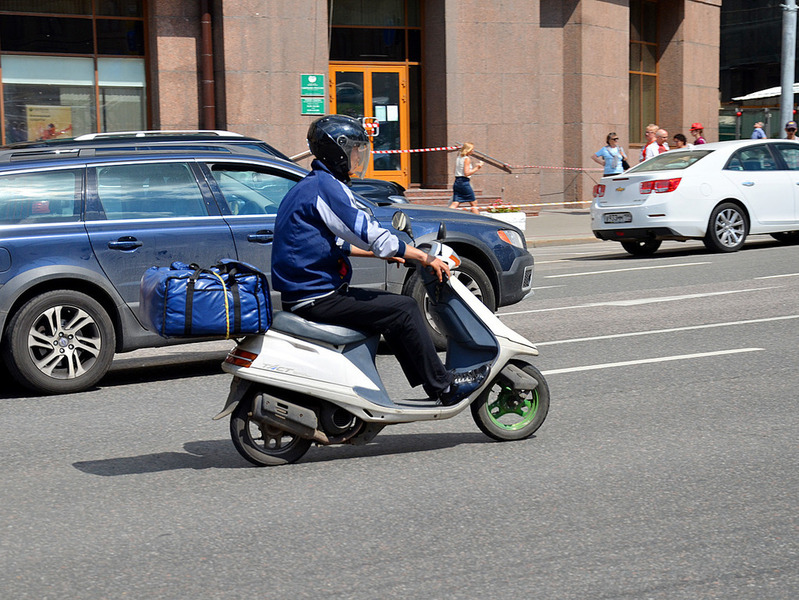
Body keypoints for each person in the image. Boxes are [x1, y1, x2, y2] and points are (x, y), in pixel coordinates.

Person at [271, 114, 487, 406]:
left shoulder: (309, 186)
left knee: (389, 309)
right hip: (317, 297)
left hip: (306, 294)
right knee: (405, 308)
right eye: (355, 151)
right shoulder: (326, 188)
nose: (358, 157)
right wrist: (422, 256)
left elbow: (334, 243)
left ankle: (389, 389)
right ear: (338, 151)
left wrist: (385, 254)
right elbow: (369, 232)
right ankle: (442, 386)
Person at [449, 142, 484, 214]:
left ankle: (446, 215)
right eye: (472, 149)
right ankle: (478, 220)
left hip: (457, 182)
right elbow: (467, 173)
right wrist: (478, 167)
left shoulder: (458, 157)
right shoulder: (466, 159)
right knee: (473, 203)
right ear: (468, 150)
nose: (473, 151)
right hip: (464, 182)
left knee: (456, 202)